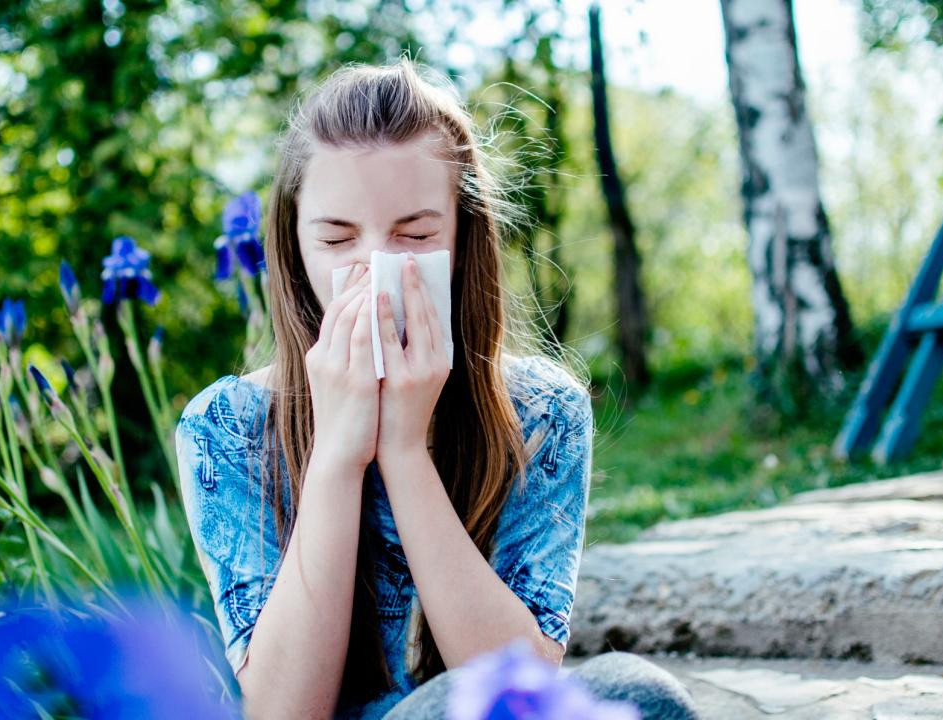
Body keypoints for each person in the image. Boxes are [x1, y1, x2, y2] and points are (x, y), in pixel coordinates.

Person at [176, 57, 700, 720]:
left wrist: (403, 448)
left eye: (415, 234)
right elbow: (284, 710)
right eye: (337, 238)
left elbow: (523, 689)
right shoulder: (229, 424)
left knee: (634, 689)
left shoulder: (542, 412)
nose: (376, 268)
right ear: (293, 246)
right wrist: (339, 452)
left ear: (461, 240)